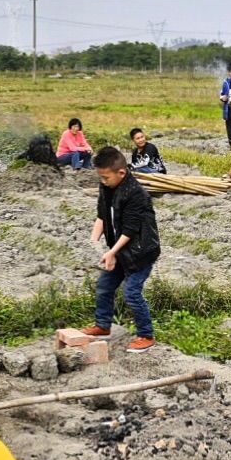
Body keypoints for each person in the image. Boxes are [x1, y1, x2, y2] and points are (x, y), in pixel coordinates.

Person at [82, 146, 160, 353]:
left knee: (132, 293)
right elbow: (102, 215)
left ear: (121, 173)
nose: (103, 181)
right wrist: (94, 240)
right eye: (100, 177)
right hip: (119, 249)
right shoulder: (107, 187)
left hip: (140, 252)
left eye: (106, 177)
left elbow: (130, 230)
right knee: (104, 287)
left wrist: (111, 252)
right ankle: (102, 325)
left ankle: (146, 335)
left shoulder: (136, 194)